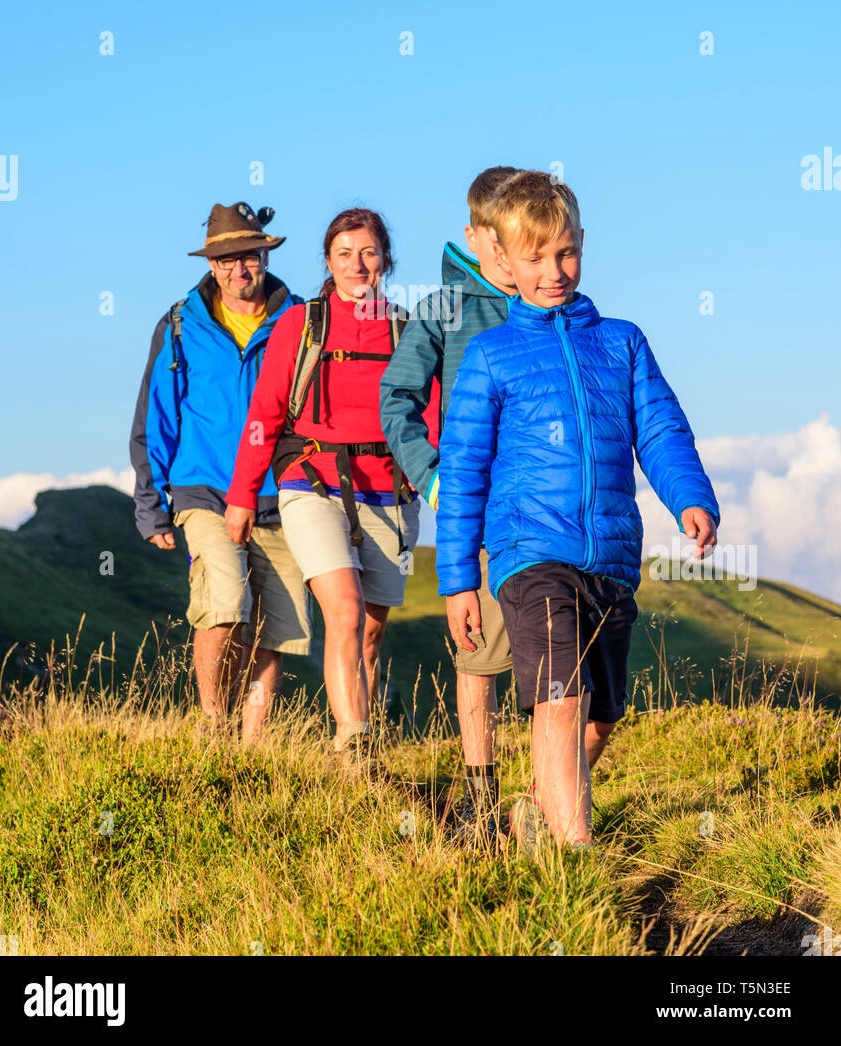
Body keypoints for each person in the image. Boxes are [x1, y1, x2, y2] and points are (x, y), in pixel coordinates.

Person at [435, 170, 719, 849]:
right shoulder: (490, 355)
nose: (553, 270)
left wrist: (690, 498)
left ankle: (535, 808)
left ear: (582, 245)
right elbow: (465, 469)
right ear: (501, 260)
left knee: (601, 717)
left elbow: (658, 429)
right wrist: (456, 581)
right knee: (558, 698)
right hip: (529, 554)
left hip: (610, 556)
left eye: (564, 253)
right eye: (534, 258)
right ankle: (572, 853)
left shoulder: (620, 341)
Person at [224, 207, 432, 766]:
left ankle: (358, 738)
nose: (357, 264)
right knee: (341, 612)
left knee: (367, 631)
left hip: (389, 492)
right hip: (310, 483)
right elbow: (266, 412)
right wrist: (243, 494)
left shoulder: (407, 330)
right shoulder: (301, 323)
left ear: (385, 258)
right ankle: (354, 747)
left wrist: (440, 486)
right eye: (345, 254)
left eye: (368, 252)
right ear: (328, 261)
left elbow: (428, 417)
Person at [130, 201, 312, 744]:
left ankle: (250, 748)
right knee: (227, 602)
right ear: (211, 265)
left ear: (264, 254)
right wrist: (150, 503)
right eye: (227, 259)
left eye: (249, 255)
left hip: (281, 492)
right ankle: (214, 727)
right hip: (203, 488)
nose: (239, 269)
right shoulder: (181, 324)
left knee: (278, 628)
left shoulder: (299, 319)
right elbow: (155, 414)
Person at [379, 166, 522, 843]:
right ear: (474, 234)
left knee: (562, 660)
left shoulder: (547, 299)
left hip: (548, 510)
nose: (510, 254)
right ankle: (478, 798)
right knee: (479, 658)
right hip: (477, 506)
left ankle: (549, 802)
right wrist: (431, 478)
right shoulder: (442, 307)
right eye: (499, 240)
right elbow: (396, 399)